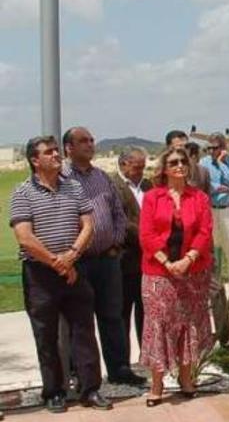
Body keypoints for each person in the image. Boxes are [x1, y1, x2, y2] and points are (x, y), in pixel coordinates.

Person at [10, 135, 112, 412]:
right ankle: (54, 390)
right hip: (40, 274)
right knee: (47, 335)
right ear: (34, 160)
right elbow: (25, 237)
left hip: (73, 270)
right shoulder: (22, 193)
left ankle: (90, 389)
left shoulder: (74, 188)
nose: (56, 156)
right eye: (50, 152)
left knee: (83, 330)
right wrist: (57, 262)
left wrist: (72, 256)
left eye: (57, 151)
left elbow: (88, 225)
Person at [62, 127, 145, 385]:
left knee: (112, 317)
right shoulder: (62, 179)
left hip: (108, 261)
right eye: (83, 141)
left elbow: (118, 215)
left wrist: (115, 243)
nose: (89, 144)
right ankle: (84, 375)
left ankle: (120, 369)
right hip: (79, 262)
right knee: (81, 321)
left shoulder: (101, 177)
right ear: (69, 148)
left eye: (91, 140)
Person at [139, 147, 214, 405]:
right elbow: (146, 235)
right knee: (158, 327)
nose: (180, 165)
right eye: (173, 162)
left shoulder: (200, 197)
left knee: (188, 325)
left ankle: (185, 378)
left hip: (193, 273)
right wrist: (168, 263)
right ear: (164, 168)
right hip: (159, 275)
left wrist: (187, 259)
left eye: (183, 161)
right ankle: (157, 384)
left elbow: (205, 232)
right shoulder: (152, 197)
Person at [165, 130, 229, 347]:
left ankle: (225, 334)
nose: (182, 152)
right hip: (175, 249)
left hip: (203, 245)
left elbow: (205, 208)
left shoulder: (202, 173)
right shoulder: (162, 175)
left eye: (185, 147)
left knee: (215, 289)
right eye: (177, 147)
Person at [110, 146, 153, 357]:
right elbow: (121, 221)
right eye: (137, 167)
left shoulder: (147, 185)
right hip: (125, 260)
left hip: (148, 261)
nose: (141, 172)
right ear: (124, 164)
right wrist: (148, 237)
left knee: (146, 314)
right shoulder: (112, 186)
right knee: (122, 314)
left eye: (143, 167)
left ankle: (147, 359)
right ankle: (123, 363)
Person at [200, 132, 229, 304]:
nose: (212, 151)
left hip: (228, 211)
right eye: (209, 148)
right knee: (212, 253)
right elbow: (203, 182)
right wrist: (217, 187)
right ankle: (214, 294)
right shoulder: (203, 163)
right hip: (210, 210)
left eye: (215, 148)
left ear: (224, 147)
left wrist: (221, 164)